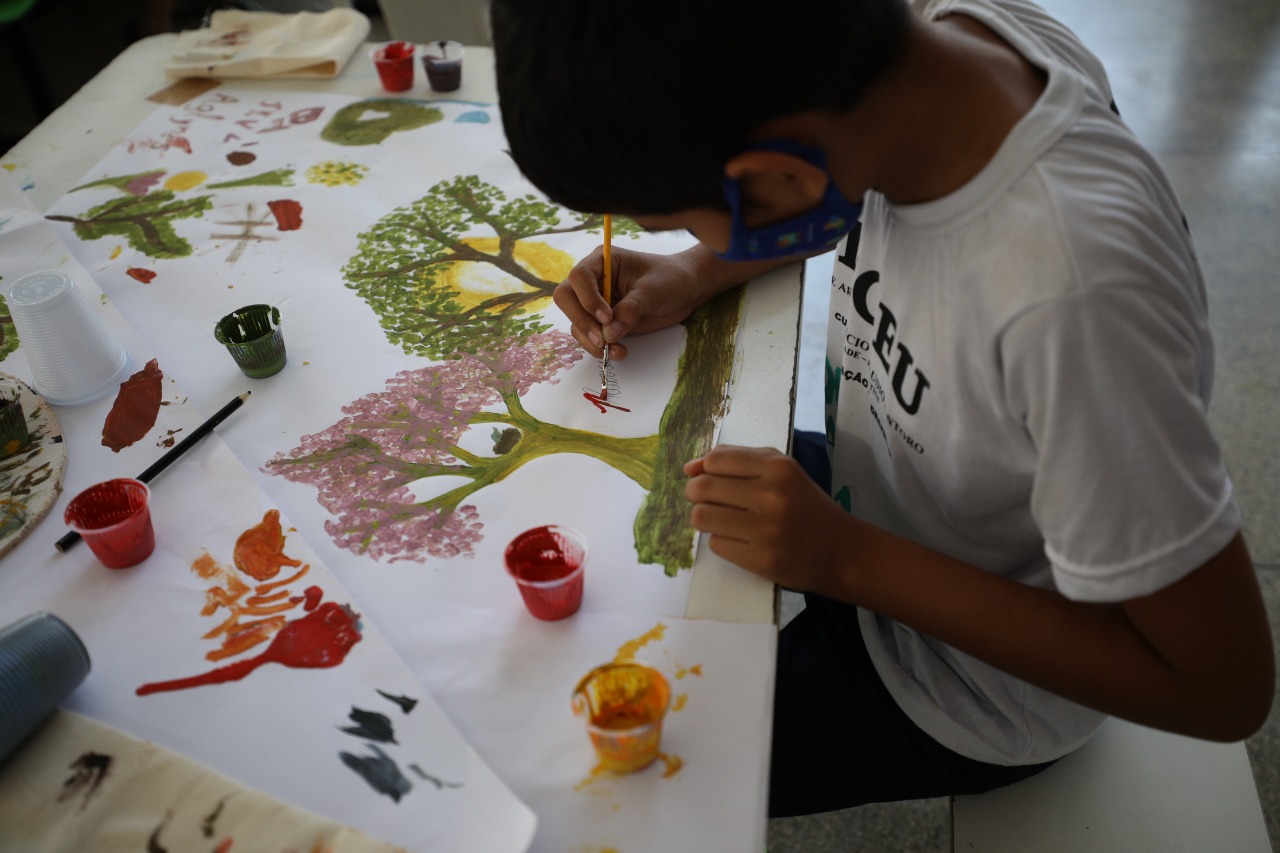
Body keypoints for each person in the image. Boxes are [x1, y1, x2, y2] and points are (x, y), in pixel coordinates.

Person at [490, 0, 1275, 816]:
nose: (688, 236)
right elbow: (841, 180)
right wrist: (694, 270)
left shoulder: (1073, 301)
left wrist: (843, 558)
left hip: (970, 681)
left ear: (779, 177)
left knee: (593, 776)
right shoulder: (921, 55)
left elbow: (1220, 689)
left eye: (679, 216)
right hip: (883, 498)